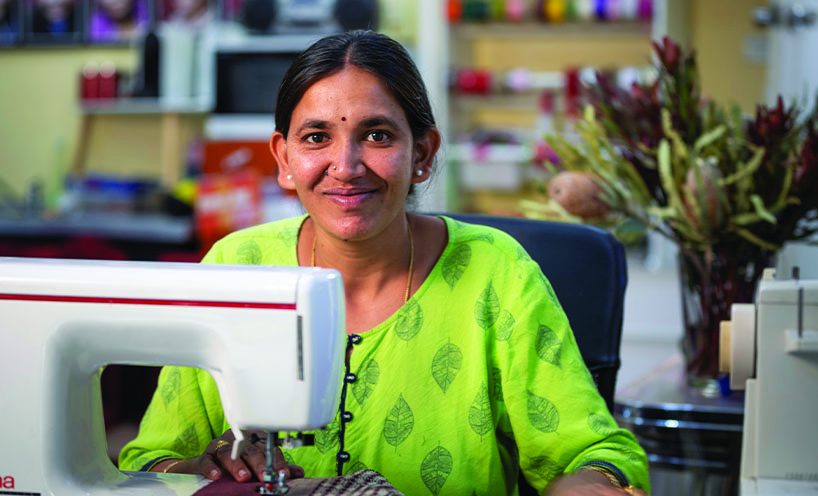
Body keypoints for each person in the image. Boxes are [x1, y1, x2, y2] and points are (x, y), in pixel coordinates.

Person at [119, 30, 650, 495]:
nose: (345, 167)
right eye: (316, 137)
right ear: (284, 159)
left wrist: (592, 485)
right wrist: (201, 467)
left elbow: (593, 454)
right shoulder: (237, 269)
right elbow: (151, 460)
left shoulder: (497, 274)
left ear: (422, 154)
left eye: (376, 135)